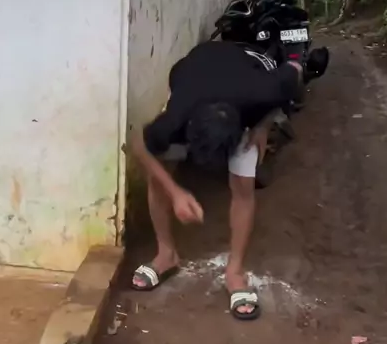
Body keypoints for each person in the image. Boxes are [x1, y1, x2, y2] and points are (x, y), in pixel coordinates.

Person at [130, 39, 303, 320]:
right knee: (159, 176)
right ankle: (166, 254)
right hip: (194, 70)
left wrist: (263, 125)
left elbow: (295, 68)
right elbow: (139, 146)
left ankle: (235, 272)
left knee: (243, 185)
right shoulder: (176, 118)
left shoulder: (264, 91)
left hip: (245, 72)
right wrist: (175, 192)